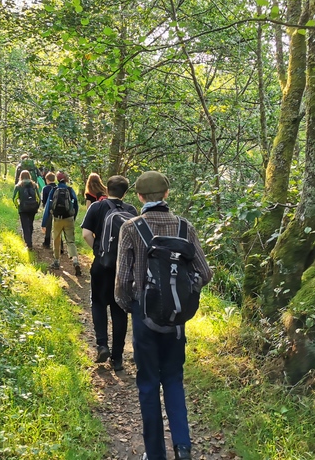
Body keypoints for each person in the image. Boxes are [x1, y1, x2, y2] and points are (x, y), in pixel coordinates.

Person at [114, 171, 212, 460]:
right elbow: (205, 273)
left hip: (143, 317)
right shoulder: (185, 227)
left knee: (147, 383)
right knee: (173, 378)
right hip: (176, 320)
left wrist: (128, 305)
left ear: (140, 197)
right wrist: (181, 296)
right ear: (167, 194)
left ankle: (154, 453)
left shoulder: (131, 228)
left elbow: (121, 282)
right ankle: (183, 446)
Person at [81, 175, 137, 371]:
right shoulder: (131, 210)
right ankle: (118, 357)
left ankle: (102, 345)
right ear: (125, 192)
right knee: (119, 309)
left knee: (98, 303)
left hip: (102, 265)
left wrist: (98, 251)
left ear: (107, 189)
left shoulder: (96, 207)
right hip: (124, 268)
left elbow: (86, 234)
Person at [41, 171, 81, 276]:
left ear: (57, 179)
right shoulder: (70, 190)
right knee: (70, 241)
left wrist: (44, 223)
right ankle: (75, 260)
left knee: (57, 239)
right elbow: (76, 204)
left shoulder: (54, 190)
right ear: (66, 179)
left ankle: (57, 261)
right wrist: (73, 217)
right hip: (69, 218)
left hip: (57, 219)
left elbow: (48, 207)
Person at [12, 170, 40, 250]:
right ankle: (29, 239)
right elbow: (39, 198)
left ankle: (28, 243)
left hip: (23, 209)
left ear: (20, 176)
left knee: (25, 226)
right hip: (32, 208)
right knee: (30, 224)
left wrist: (18, 206)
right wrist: (36, 206)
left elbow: (14, 198)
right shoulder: (34, 185)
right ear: (29, 176)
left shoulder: (18, 186)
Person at [41, 171, 58, 249]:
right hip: (57, 209)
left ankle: (47, 243)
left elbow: (43, 200)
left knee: (48, 227)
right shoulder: (58, 187)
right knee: (57, 228)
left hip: (48, 209)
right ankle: (59, 245)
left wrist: (44, 206)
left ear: (47, 179)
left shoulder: (45, 188)